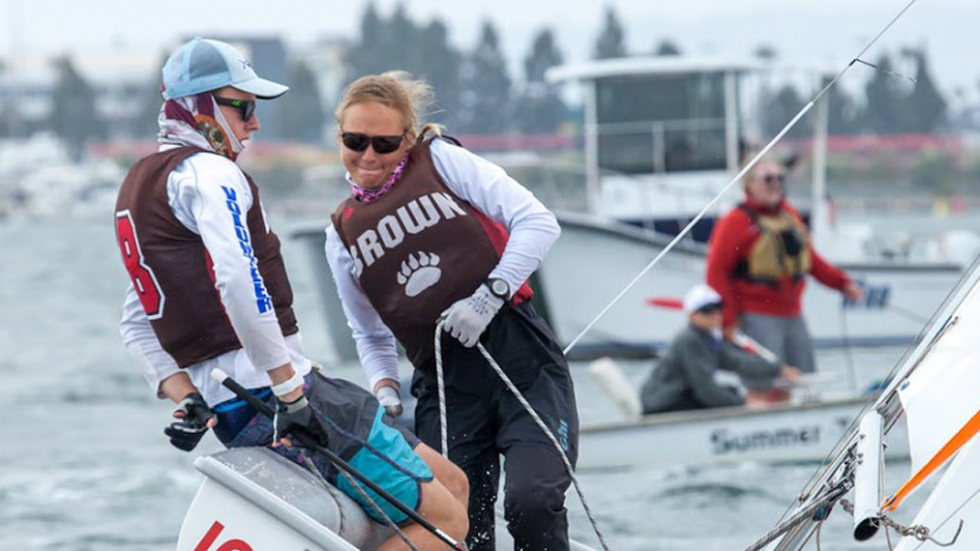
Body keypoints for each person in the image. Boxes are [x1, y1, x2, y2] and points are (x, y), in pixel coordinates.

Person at [114, 38, 467, 551]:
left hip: (244, 402)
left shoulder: (139, 184)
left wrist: (187, 398)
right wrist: (288, 392)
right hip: (280, 396)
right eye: (243, 107)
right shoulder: (213, 173)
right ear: (201, 106)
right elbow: (238, 281)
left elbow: (135, 320)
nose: (253, 124)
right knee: (447, 524)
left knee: (453, 482)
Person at [324, 71, 579, 551]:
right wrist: (384, 390)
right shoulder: (341, 233)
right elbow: (370, 334)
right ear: (340, 138)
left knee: (531, 501)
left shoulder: (442, 160)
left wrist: (489, 296)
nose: (369, 156)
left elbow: (538, 222)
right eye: (356, 141)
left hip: (521, 360)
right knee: (461, 526)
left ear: (409, 138)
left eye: (385, 143)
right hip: (444, 386)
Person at [706, 154, 863, 404]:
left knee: (793, 378)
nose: (775, 184)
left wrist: (842, 283)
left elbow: (810, 259)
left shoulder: (789, 215)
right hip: (756, 316)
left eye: (780, 178)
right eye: (768, 179)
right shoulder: (734, 222)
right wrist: (727, 320)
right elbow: (716, 273)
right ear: (749, 184)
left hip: (792, 314)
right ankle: (759, 429)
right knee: (762, 383)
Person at [640, 285, 802, 414]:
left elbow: (738, 361)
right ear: (691, 315)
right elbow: (705, 389)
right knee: (729, 396)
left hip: (680, 398)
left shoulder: (708, 338)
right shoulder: (690, 340)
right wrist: (744, 406)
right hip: (663, 404)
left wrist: (778, 369)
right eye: (707, 309)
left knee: (731, 391)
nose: (715, 314)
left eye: (718, 307)